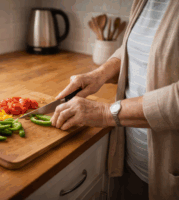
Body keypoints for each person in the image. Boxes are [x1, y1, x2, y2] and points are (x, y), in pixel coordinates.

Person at [50, 0, 179, 199]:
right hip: (133, 159)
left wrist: (104, 113)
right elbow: (137, 50)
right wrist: (99, 75)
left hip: (169, 175)